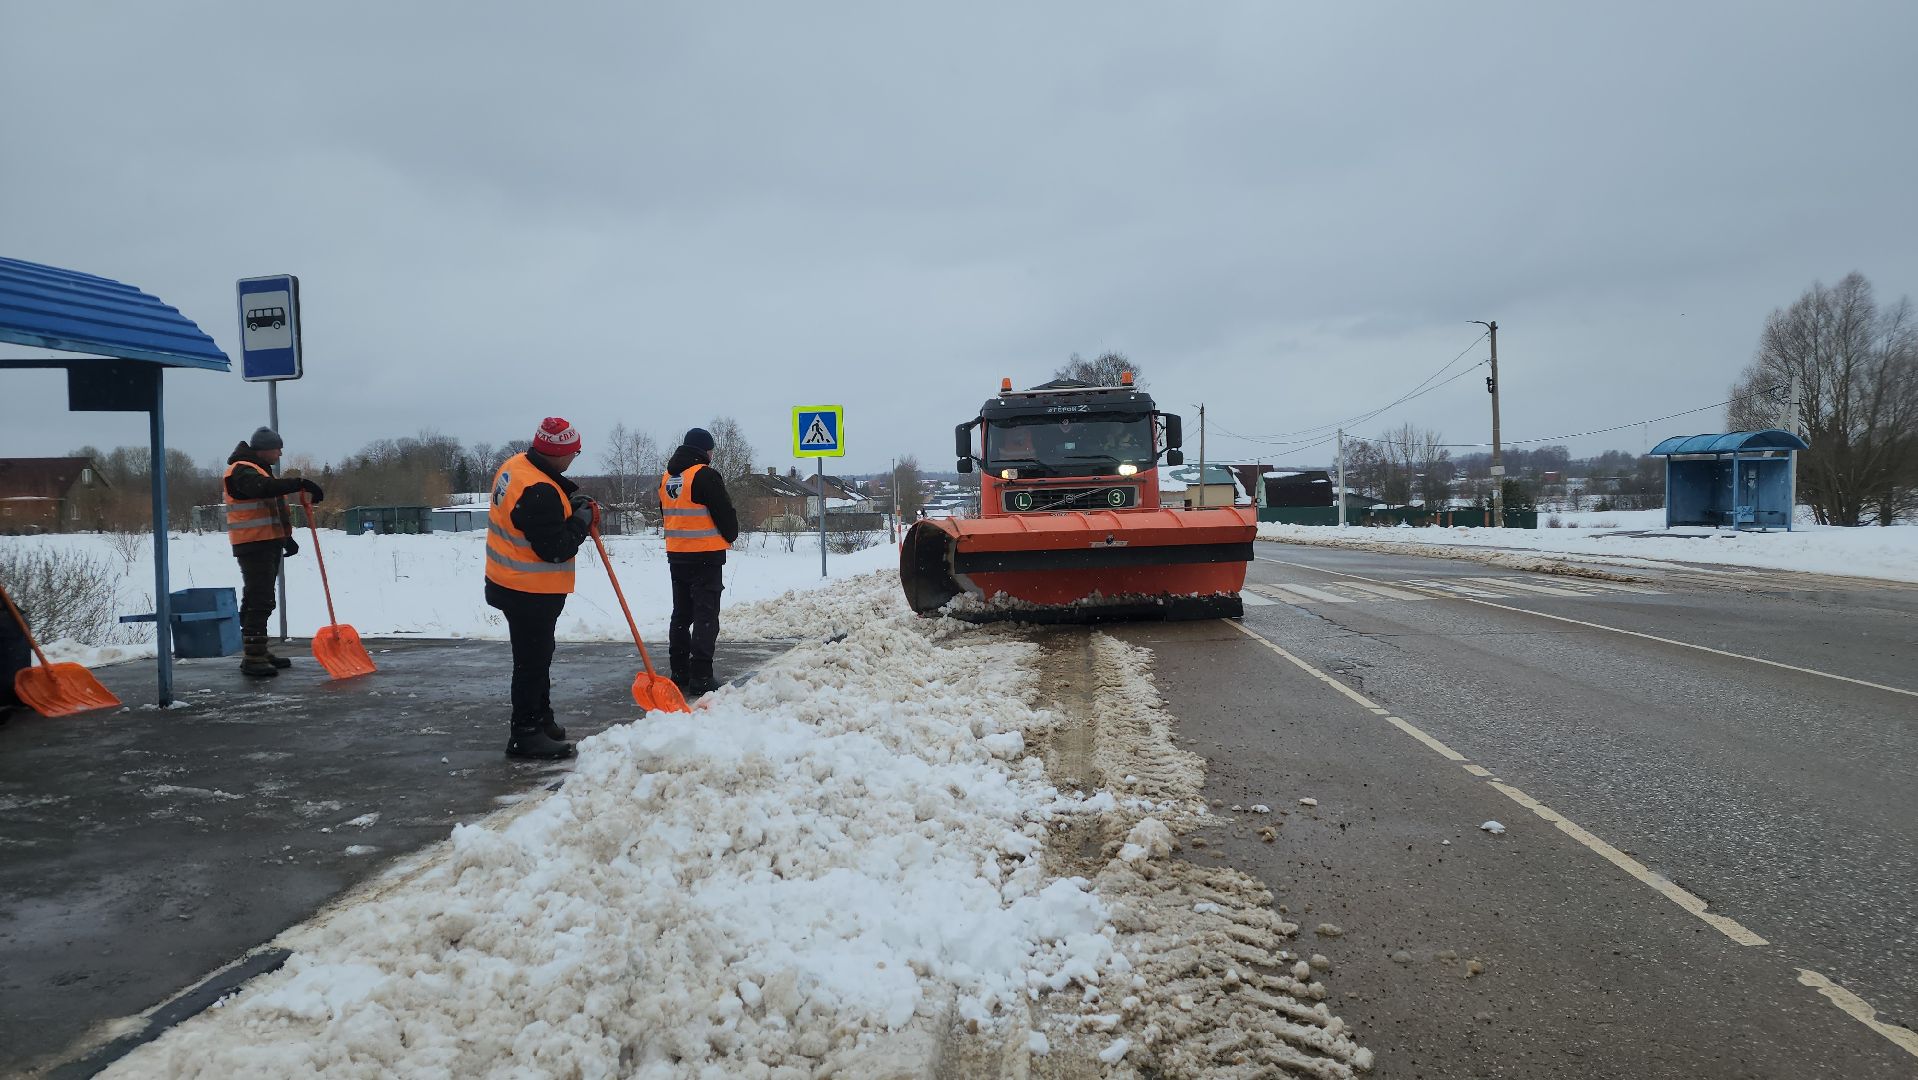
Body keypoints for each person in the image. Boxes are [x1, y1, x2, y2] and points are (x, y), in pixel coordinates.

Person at [485, 417, 597, 759]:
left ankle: (541, 718)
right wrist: (581, 522)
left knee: (537, 655)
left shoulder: (516, 466)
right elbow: (556, 548)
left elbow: (533, 518)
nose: (575, 457)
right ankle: (525, 733)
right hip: (529, 590)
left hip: (509, 580)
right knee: (531, 662)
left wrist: (569, 507)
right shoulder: (538, 490)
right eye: (575, 452)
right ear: (559, 454)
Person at [225, 427, 322, 677]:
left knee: (258, 596)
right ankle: (253, 656)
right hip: (252, 543)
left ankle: (258, 649)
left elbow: (270, 506)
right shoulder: (242, 470)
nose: (280, 454)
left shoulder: (258, 469)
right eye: (277, 449)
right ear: (264, 449)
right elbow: (262, 489)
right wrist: (299, 483)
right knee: (260, 598)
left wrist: (285, 538)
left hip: (266, 541)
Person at [659, 428, 739, 697]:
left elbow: (667, 514)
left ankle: (679, 671)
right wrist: (731, 535)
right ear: (705, 450)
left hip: (676, 555)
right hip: (705, 556)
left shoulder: (668, 478)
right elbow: (724, 512)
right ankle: (701, 675)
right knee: (706, 615)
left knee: (681, 614)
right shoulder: (704, 475)